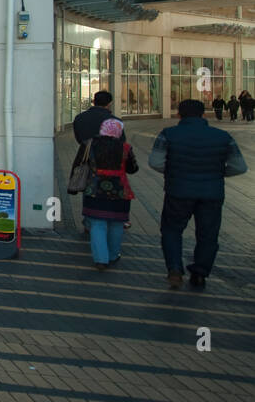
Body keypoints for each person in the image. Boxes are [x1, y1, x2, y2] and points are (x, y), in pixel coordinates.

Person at [149, 98, 248, 290]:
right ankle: (200, 273)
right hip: (212, 193)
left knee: (171, 230)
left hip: (178, 191)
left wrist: (173, 172)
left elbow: (155, 162)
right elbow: (240, 166)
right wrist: (218, 173)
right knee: (208, 235)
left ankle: (175, 269)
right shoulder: (223, 137)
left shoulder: (168, 134)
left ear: (179, 114)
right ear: (203, 115)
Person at [81, 119, 138, 271]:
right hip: (119, 191)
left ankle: (101, 259)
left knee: (97, 224)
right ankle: (113, 255)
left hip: (94, 190)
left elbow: (81, 163)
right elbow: (133, 169)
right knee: (117, 224)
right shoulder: (125, 147)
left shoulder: (89, 144)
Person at [72, 91, 116, 234]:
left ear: (93, 101)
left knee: (88, 188)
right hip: (110, 161)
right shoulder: (114, 121)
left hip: (86, 158)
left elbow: (79, 139)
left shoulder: (80, 118)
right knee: (109, 190)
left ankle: (89, 221)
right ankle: (106, 218)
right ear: (109, 103)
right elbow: (121, 142)